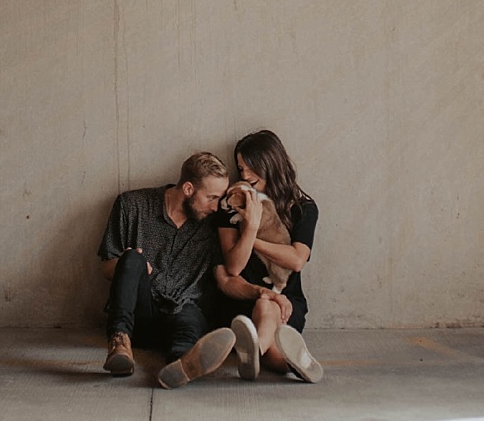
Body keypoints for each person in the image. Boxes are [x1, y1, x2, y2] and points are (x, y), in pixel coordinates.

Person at [96, 153, 241, 388]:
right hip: (140, 314)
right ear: (188, 188)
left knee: (188, 323)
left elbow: (225, 275)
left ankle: (181, 364)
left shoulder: (213, 226)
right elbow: (106, 267)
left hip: (184, 311)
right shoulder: (132, 206)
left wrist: (260, 292)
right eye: (211, 197)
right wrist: (135, 268)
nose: (216, 207)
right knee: (132, 258)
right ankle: (119, 342)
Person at [214, 129, 323, 382]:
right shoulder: (232, 203)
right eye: (241, 169)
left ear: (271, 164)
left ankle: (255, 350)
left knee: (269, 306)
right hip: (242, 298)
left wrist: (253, 239)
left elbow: (296, 260)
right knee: (267, 312)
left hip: (287, 300)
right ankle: (288, 361)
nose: (245, 175)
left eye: (251, 167)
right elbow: (233, 266)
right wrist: (250, 225)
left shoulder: (303, 208)